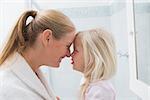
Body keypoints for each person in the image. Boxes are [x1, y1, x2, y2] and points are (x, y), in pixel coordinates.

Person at [0, 9, 76, 100]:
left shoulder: (33, 76)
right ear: (47, 38)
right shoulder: (9, 87)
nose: (68, 54)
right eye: (67, 46)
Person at [71, 28, 117, 100]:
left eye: (76, 50)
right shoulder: (88, 82)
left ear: (92, 57)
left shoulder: (101, 90)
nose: (71, 54)